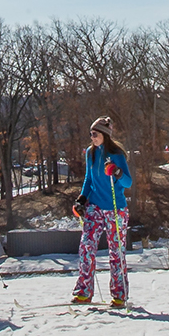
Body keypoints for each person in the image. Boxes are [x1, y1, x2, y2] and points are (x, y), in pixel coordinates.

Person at [72, 117, 133, 306]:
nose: (92, 137)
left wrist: (117, 172)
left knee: (116, 252)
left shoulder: (116, 154)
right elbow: (89, 179)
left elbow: (128, 183)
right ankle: (83, 291)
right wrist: (82, 199)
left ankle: (119, 294)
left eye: (95, 134)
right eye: (91, 134)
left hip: (115, 208)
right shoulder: (90, 153)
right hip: (95, 207)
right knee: (86, 247)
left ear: (104, 135)